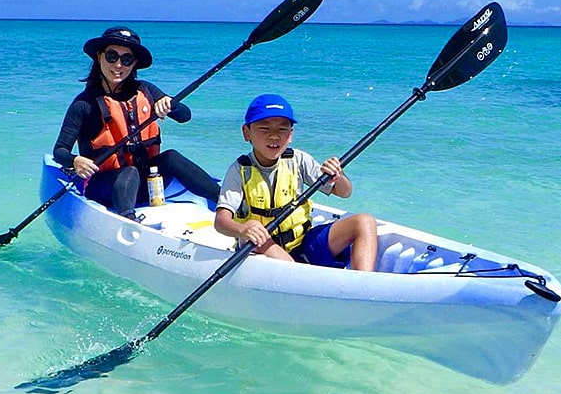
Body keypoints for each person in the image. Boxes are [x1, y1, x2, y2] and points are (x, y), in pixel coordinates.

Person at [53, 26, 219, 219]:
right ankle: (128, 221)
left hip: (148, 183)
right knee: (128, 172)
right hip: (106, 186)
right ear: (99, 57)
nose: (118, 65)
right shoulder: (84, 104)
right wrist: (75, 160)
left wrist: (170, 104)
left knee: (171, 157)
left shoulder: (146, 91)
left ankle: (228, 203)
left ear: (134, 64)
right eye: (112, 56)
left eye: (126, 59)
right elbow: (59, 151)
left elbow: (185, 116)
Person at [214, 94, 378, 271]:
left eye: (282, 129)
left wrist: (339, 175)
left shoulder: (298, 159)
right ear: (247, 133)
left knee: (364, 221)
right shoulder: (239, 170)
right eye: (264, 128)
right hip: (264, 247)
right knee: (256, 233)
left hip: (302, 242)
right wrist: (242, 230)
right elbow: (221, 221)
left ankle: (363, 280)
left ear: (290, 134)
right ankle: (300, 276)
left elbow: (344, 192)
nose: (274, 136)